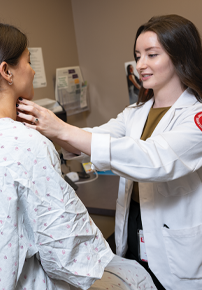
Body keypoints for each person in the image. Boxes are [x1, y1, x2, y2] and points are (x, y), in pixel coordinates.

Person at [0, 22, 156, 290]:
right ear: (7, 71)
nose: (33, 69)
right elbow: (64, 249)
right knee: (136, 278)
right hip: (30, 281)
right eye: (28, 61)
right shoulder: (27, 143)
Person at [17, 14, 202, 290]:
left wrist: (62, 129)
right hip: (134, 225)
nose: (140, 65)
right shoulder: (135, 114)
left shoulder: (196, 115)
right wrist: (49, 130)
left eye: (152, 55)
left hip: (177, 238)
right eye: (138, 55)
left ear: (180, 56)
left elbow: (154, 159)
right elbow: (93, 139)